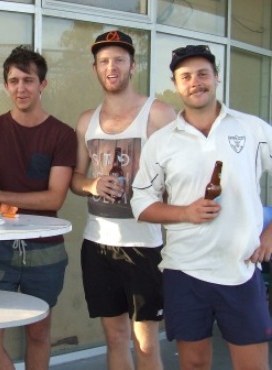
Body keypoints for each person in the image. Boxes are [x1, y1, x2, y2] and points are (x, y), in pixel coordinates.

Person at [131, 45, 272, 369]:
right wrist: (184, 212)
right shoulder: (163, 141)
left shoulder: (251, 130)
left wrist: (269, 235)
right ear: (175, 84)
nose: (195, 82)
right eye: (186, 76)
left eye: (202, 74)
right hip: (185, 271)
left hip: (240, 268)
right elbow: (141, 202)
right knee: (193, 364)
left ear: (216, 78)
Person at [0, 45, 77, 370]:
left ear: (43, 84)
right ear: (5, 85)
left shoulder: (62, 134)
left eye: (28, 80)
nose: (20, 88)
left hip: (45, 251)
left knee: (39, 334)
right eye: (13, 81)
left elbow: (55, 198)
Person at [70, 30, 176, 370]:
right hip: (97, 243)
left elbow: (180, 178)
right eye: (104, 61)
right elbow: (74, 179)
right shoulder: (87, 120)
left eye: (118, 59)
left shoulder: (158, 113)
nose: (111, 66)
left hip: (144, 244)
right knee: (114, 337)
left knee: (146, 344)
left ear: (133, 65)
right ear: (95, 69)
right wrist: (92, 185)